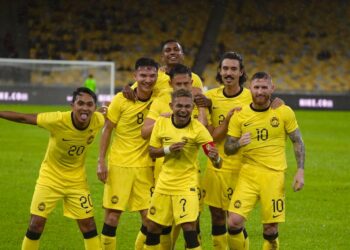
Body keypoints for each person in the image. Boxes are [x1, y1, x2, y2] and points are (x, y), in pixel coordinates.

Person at [0, 87, 104, 250]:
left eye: (90, 104)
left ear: (94, 107)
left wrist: (130, 91)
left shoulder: (98, 119)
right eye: (80, 103)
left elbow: (111, 108)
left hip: (77, 182)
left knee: (88, 225)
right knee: (36, 224)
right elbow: (24, 117)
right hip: (50, 179)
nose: (85, 108)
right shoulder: (57, 120)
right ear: (72, 105)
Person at [224, 72, 305, 250]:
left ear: (272, 88)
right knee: (234, 222)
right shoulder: (240, 115)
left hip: (274, 176)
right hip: (248, 174)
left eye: (264, 87)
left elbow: (297, 141)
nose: (260, 91)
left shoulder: (283, 112)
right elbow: (227, 148)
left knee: (270, 229)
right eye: (256, 87)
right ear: (250, 89)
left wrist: (300, 170)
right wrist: (238, 143)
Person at [144, 89, 222, 250]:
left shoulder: (199, 129)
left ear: (192, 107)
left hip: (187, 183)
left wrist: (216, 157)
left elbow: (217, 162)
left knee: (188, 227)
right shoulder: (161, 123)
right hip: (164, 182)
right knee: (153, 227)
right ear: (172, 106)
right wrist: (168, 150)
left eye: (188, 106)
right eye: (179, 106)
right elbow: (152, 151)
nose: (183, 110)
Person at [141, 63, 207, 248]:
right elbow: (144, 132)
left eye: (186, 84)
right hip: (163, 172)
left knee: (192, 223)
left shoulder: (198, 100)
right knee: (158, 224)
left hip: (189, 172)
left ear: (191, 82)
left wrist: (201, 108)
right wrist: (166, 119)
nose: (183, 88)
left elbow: (203, 129)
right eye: (178, 84)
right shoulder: (162, 101)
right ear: (171, 84)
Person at [97, 57, 158, 250]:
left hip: (145, 166)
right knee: (113, 216)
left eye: (152, 75)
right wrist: (101, 161)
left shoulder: (160, 98)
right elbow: (107, 129)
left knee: (150, 219)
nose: (148, 79)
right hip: (120, 165)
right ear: (135, 76)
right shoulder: (121, 99)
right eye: (143, 75)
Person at [201, 51, 252, 250]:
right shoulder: (210, 98)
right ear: (220, 72)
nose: (228, 72)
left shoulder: (251, 97)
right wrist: (228, 119)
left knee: (235, 219)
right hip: (216, 166)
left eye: (233, 69)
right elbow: (210, 136)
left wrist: (277, 102)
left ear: (241, 72)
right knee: (216, 216)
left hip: (243, 167)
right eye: (225, 69)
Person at [123, 39, 204, 100]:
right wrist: (127, 89)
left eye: (176, 49)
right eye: (168, 50)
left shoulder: (194, 78)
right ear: (162, 57)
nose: (172, 52)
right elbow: (133, 90)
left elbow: (200, 101)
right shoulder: (153, 76)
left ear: (182, 55)